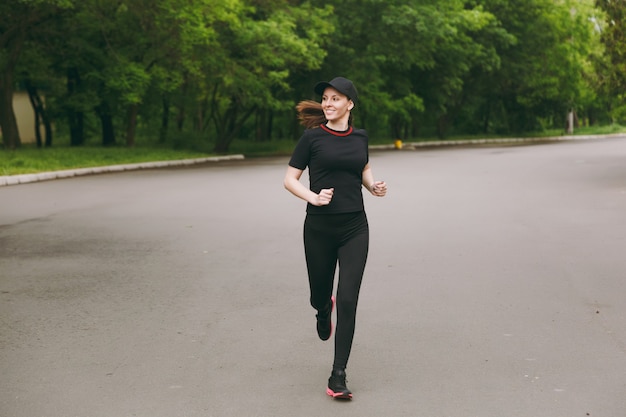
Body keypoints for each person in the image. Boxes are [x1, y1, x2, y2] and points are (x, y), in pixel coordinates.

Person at [283, 76, 387, 399]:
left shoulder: (361, 138)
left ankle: (338, 375)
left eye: (335, 98)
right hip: (319, 228)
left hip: (355, 227)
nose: (328, 103)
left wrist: (373, 187)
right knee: (320, 293)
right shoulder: (311, 139)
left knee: (348, 299)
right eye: (325, 99)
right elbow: (289, 179)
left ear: (349, 104)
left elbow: (363, 168)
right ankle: (320, 309)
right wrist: (312, 197)